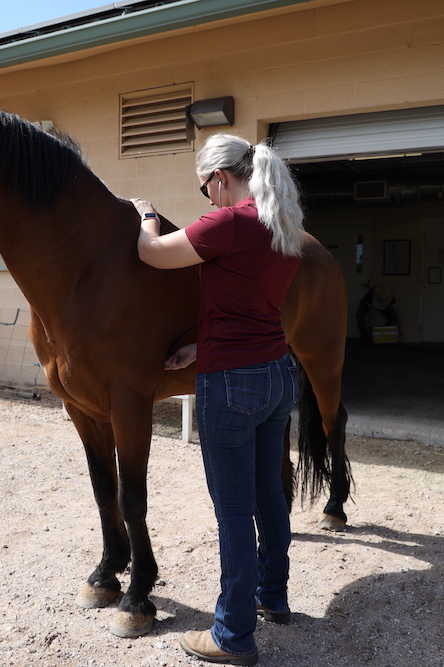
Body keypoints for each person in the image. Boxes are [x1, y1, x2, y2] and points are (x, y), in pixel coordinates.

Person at [131, 133, 303, 666]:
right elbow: (251, 306)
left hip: (231, 383)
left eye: (205, 188)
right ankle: (273, 595)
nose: (207, 199)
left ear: (220, 178)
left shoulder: (228, 223)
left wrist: (146, 214)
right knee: (268, 495)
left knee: (232, 511)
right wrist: (198, 345)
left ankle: (232, 634)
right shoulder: (281, 226)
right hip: (277, 373)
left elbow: (152, 253)